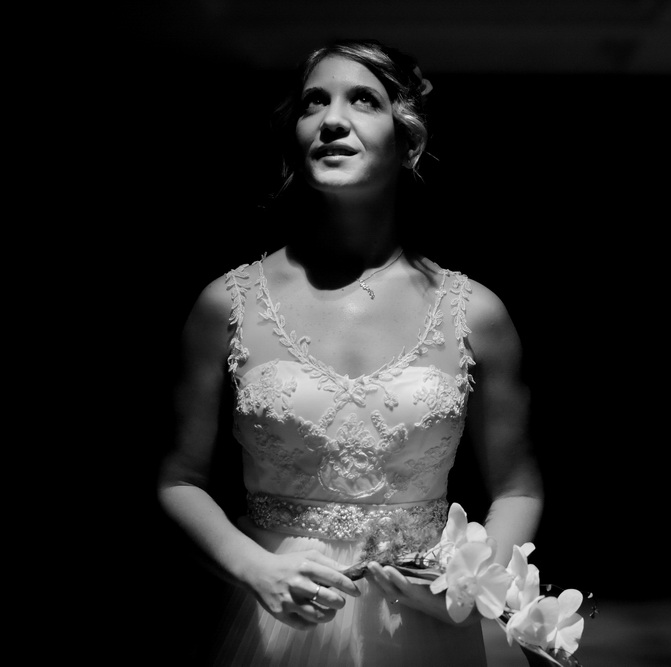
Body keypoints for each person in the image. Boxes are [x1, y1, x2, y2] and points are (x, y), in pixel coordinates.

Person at [158, 38, 543, 666]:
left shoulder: (476, 313)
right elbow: (177, 478)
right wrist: (253, 565)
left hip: (426, 626)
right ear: (296, 134)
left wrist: (465, 585)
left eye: (362, 99)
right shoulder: (225, 304)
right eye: (315, 102)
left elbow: (519, 488)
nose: (333, 118)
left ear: (408, 137)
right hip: (273, 621)